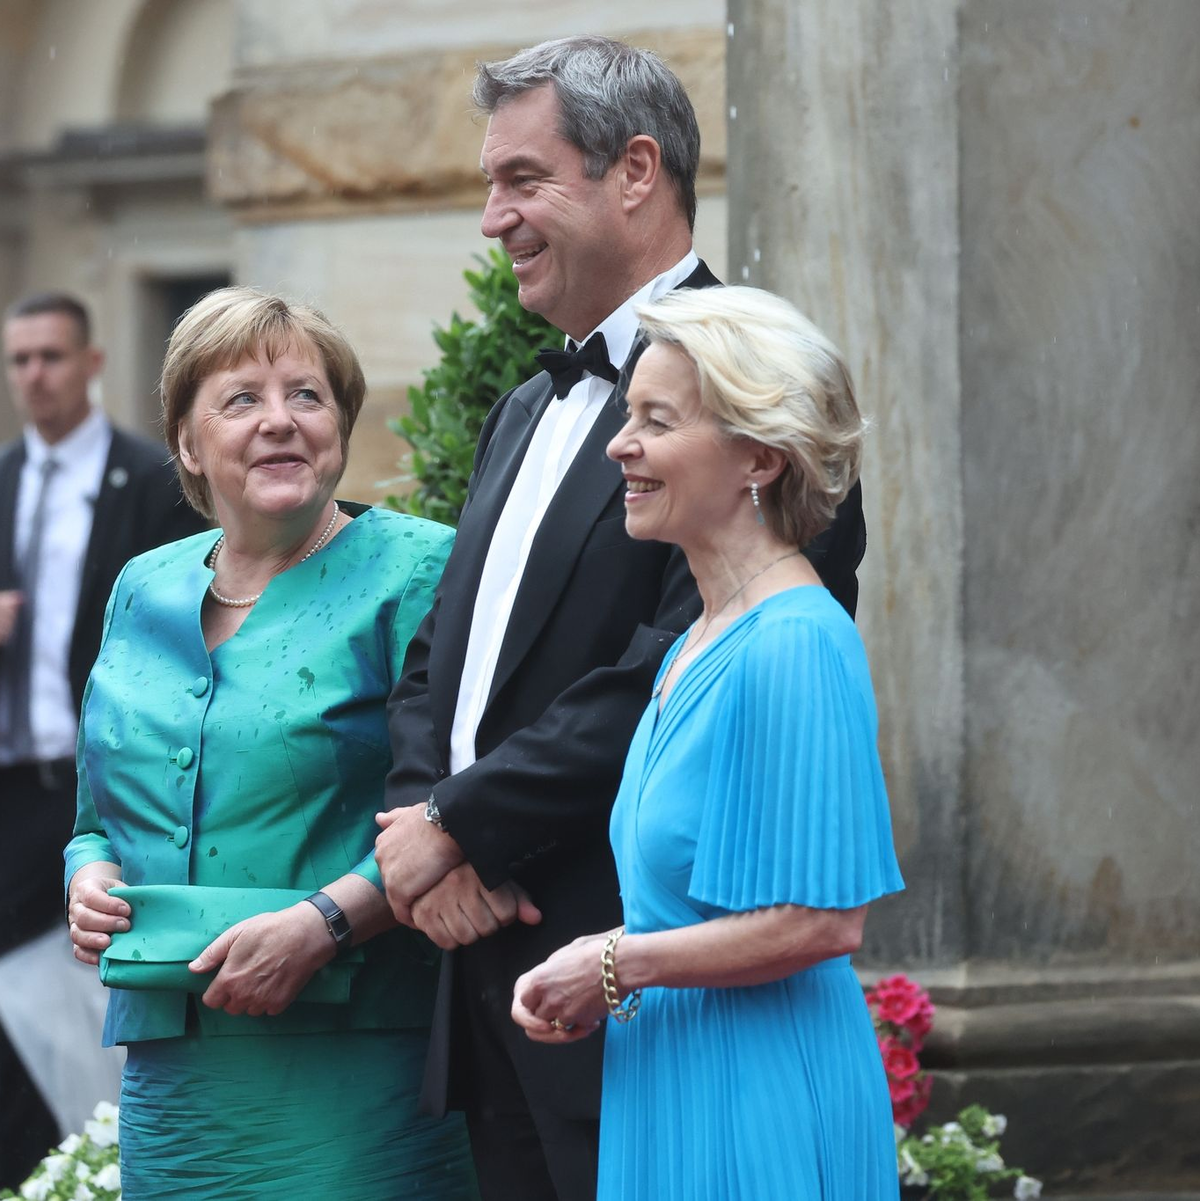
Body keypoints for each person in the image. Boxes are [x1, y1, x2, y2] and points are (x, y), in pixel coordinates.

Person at [374, 36, 867, 1201]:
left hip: (649, 994)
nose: (493, 218)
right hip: (486, 978)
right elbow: (442, 663)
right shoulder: (521, 407)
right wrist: (419, 830)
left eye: (522, 180)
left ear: (635, 170)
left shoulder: (759, 405)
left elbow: (661, 677)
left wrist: (462, 824)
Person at [63, 287, 476, 1199]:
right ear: (185, 440)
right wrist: (85, 879)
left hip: (360, 1056)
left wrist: (323, 923)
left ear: (340, 423)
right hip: (172, 1071)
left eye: (307, 395)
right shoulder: (141, 583)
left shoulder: (421, 566)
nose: (279, 422)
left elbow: (462, 804)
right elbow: (97, 817)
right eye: (242, 398)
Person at [511, 285, 904, 1200]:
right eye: (627, 414)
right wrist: (610, 962)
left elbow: (822, 919)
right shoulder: (696, 640)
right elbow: (694, 905)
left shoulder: (796, 639)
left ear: (758, 455)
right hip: (670, 1074)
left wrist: (608, 963)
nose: (620, 444)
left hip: (757, 1096)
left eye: (656, 419)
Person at [0, 291, 205, 1184]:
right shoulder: (0, 478)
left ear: (90, 363)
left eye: (51, 356)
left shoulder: (150, 481)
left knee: (88, 983)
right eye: (19, 360)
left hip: (91, 784)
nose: (33, 375)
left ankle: (108, 1160)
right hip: (9, 780)